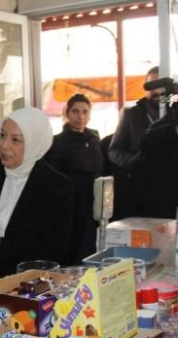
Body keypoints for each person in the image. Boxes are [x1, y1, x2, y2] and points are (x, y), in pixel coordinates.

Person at [0, 107, 74, 284]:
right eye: (2, 135)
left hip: (35, 287)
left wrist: (1, 247)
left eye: (15, 140)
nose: (4, 145)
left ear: (35, 143)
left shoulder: (57, 186)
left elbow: (55, 247)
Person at [44, 94, 102, 262]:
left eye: (85, 112)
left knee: (93, 250)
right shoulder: (57, 142)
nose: (80, 117)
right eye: (75, 111)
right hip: (71, 207)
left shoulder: (94, 139)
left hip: (94, 205)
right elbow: (55, 177)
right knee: (73, 250)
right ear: (67, 113)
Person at [108, 66, 162, 169]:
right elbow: (114, 151)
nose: (157, 91)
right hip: (139, 178)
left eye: (160, 86)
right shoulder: (131, 115)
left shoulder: (175, 115)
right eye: (152, 85)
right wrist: (138, 163)